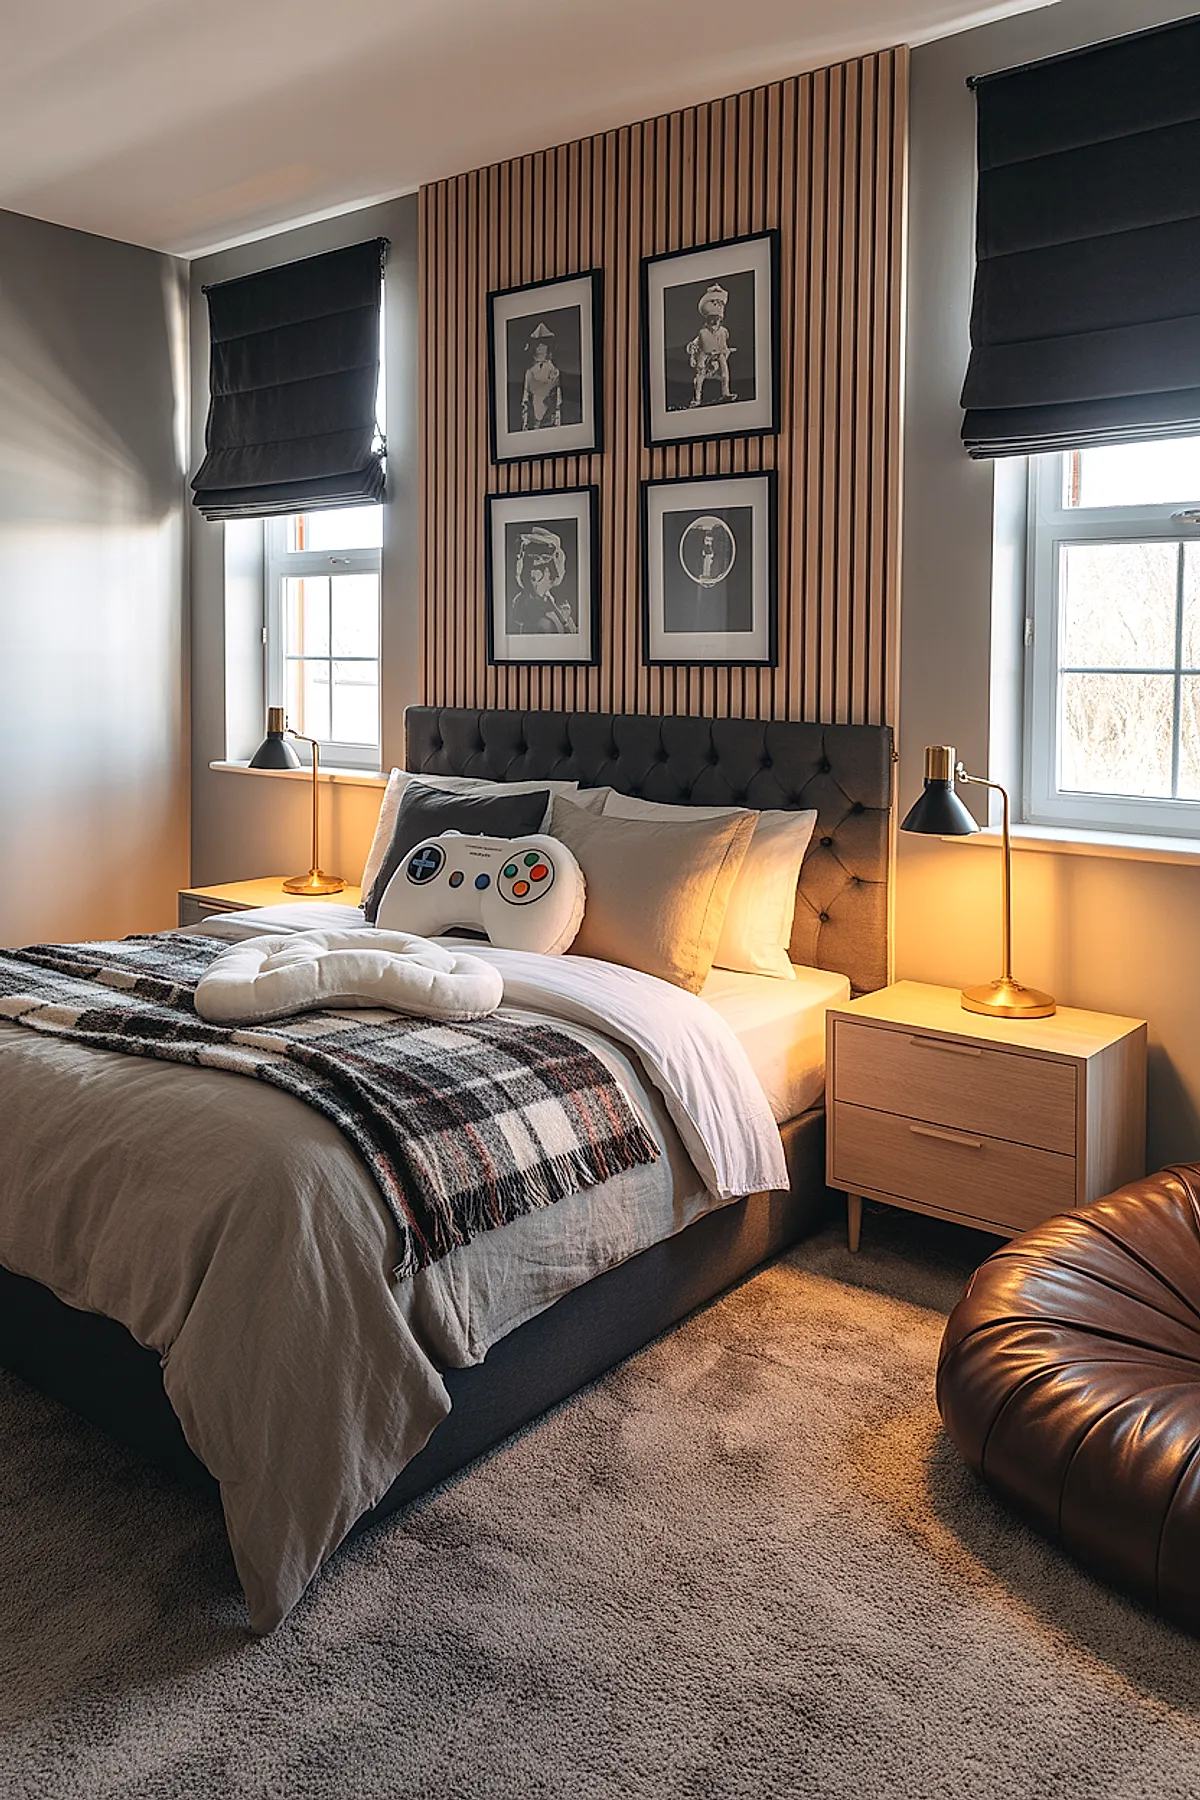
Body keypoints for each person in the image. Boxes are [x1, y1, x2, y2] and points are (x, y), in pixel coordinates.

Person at [509, 527, 576, 634]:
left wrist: (565, 620)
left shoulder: (555, 603)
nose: (532, 575)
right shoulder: (522, 604)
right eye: (531, 567)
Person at [686, 282, 737, 407]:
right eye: (713, 318)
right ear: (708, 319)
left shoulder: (724, 332)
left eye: (718, 319)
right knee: (700, 375)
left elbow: (723, 345)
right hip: (704, 355)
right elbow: (694, 345)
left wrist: (726, 351)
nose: (715, 321)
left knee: (725, 372)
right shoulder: (702, 333)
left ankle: (726, 393)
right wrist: (693, 356)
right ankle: (697, 398)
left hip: (719, 355)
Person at [520, 325, 563, 430]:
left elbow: (557, 400)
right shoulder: (530, 373)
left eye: (543, 344)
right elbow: (526, 399)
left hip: (549, 417)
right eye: (538, 344)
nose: (540, 347)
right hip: (534, 417)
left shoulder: (553, 371)